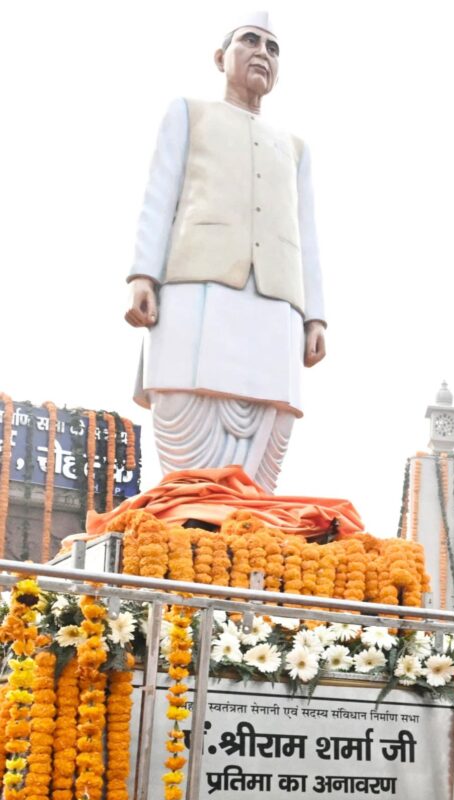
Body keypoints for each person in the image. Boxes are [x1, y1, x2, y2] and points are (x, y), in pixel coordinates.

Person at [126, 14, 326, 491]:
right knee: (183, 400)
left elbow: (308, 235)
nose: (262, 52)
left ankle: (247, 526)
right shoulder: (188, 113)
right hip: (196, 287)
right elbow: (160, 195)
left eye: (273, 49)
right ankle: (188, 523)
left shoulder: (295, 148)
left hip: (278, 302)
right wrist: (142, 276)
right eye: (250, 41)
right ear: (221, 58)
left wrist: (315, 316)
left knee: (270, 420)